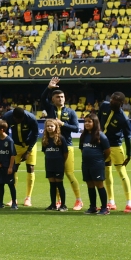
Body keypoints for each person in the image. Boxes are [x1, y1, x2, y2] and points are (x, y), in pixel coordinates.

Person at [38, 77, 83, 210]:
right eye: (57, 97)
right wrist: (49, 87)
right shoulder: (50, 108)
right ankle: (57, 202)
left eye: (62, 97)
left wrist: (62, 124)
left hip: (67, 146)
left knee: (69, 173)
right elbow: (42, 98)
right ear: (53, 99)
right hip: (53, 147)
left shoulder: (70, 112)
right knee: (54, 177)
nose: (60, 99)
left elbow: (76, 128)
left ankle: (78, 200)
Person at [100, 90, 131, 212]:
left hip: (115, 146)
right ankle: (111, 201)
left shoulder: (123, 118)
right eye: (111, 98)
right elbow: (98, 122)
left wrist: (129, 154)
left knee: (122, 173)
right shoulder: (104, 106)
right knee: (106, 172)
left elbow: (127, 137)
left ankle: (129, 203)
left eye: (114, 100)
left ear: (121, 102)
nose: (111, 101)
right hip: (102, 145)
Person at [5, 104, 41, 206]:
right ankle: (13, 198)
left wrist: (28, 151)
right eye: (16, 119)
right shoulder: (7, 117)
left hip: (29, 145)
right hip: (16, 145)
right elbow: (5, 132)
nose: (17, 121)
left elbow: (35, 135)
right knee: (13, 169)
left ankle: (28, 198)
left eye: (20, 119)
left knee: (30, 168)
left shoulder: (31, 118)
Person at [79, 113, 111, 214]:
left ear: (95, 122)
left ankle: (104, 208)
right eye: (85, 121)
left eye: (89, 121)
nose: (87, 123)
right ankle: (92, 207)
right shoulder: (84, 135)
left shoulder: (100, 135)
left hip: (97, 164)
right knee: (90, 184)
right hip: (86, 164)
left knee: (99, 184)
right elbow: (82, 149)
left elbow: (107, 150)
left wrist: (100, 159)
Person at [40, 118, 69, 211]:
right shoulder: (45, 139)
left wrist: (61, 162)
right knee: (52, 185)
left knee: (59, 184)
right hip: (49, 164)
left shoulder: (61, 138)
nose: (49, 128)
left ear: (56, 127)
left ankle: (63, 205)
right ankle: (53, 204)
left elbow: (65, 153)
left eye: (51, 126)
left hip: (58, 164)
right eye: (48, 126)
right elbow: (45, 152)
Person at [0, 119, 17, 209]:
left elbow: (12, 155)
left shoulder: (9, 141)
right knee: (0, 184)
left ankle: (14, 203)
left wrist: (10, 167)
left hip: (7, 167)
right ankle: (0, 202)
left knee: (11, 185)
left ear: (2, 129)